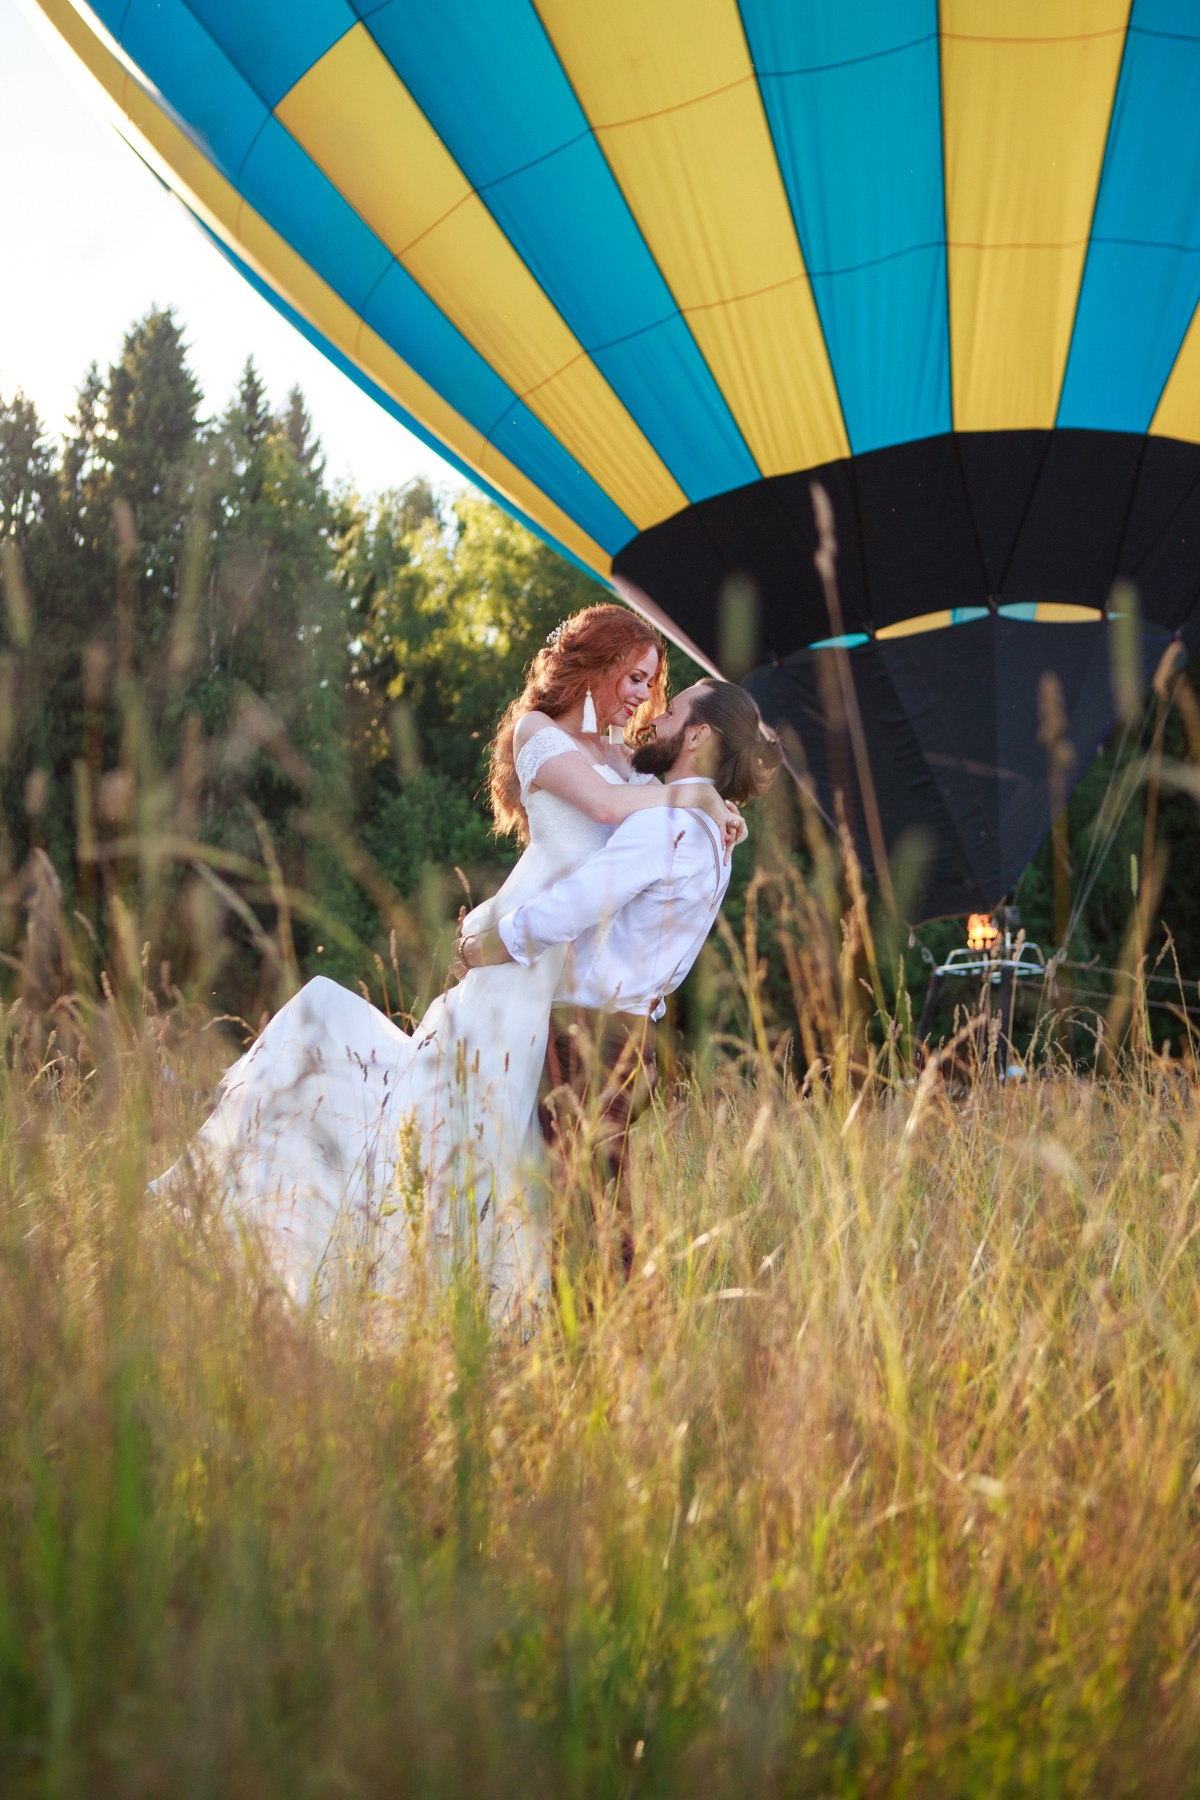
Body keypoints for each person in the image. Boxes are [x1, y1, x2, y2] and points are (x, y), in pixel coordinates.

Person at [152, 606, 744, 1322]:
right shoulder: (540, 734)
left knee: (517, 1156)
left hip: (554, 976)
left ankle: (502, 1317)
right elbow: (606, 808)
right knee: (445, 1129)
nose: (641, 698)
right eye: (635, 677)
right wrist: (703, 794)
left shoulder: (631, 760)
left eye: (654, 687)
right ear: (599, 662)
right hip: (512, 961)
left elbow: (650, 841)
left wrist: (710, 805)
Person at [460, 679, 782, 1277]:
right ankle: (603, 1343)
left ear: (698, 735)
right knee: (593, 1200)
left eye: (674, 708)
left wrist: (490, 945)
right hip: (631, 1036)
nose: (657, 717)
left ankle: (602, 1351)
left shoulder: (670, 825)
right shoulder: (710, 829)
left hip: (591, 1039)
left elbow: (575, 904)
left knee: (583, 1214)